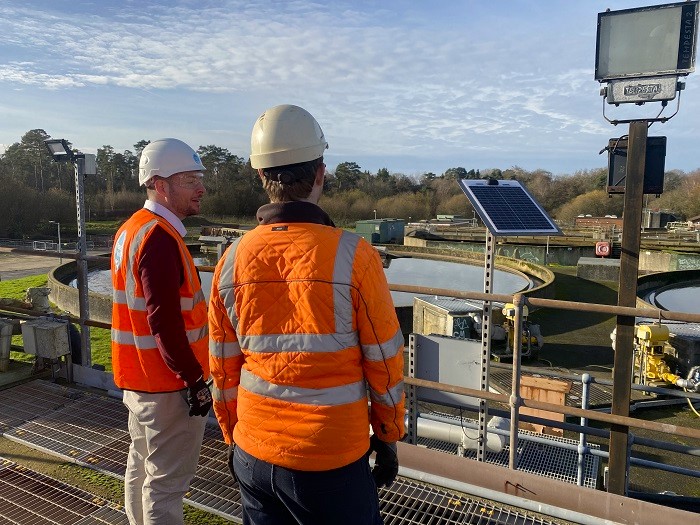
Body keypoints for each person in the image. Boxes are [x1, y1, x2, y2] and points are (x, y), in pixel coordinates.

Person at [208, 104, 405, 525]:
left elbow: (222, 367)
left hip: (254, 453)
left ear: (262, 177)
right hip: (330, 460)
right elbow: (384, 363)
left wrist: (232, 435)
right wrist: (387, 436)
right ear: (321, 173)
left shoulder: (231, 260)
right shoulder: (355, 257)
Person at [111, 138, 212, 525]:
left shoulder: (131, 230)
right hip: (168, 387)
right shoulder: (159, 239)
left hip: (139, 379)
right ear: (161, 184)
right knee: (166, 487)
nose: (200, 187)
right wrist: (194, 381)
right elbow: (163, 321)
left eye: (200, 177)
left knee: (141, 465)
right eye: (189, 179)